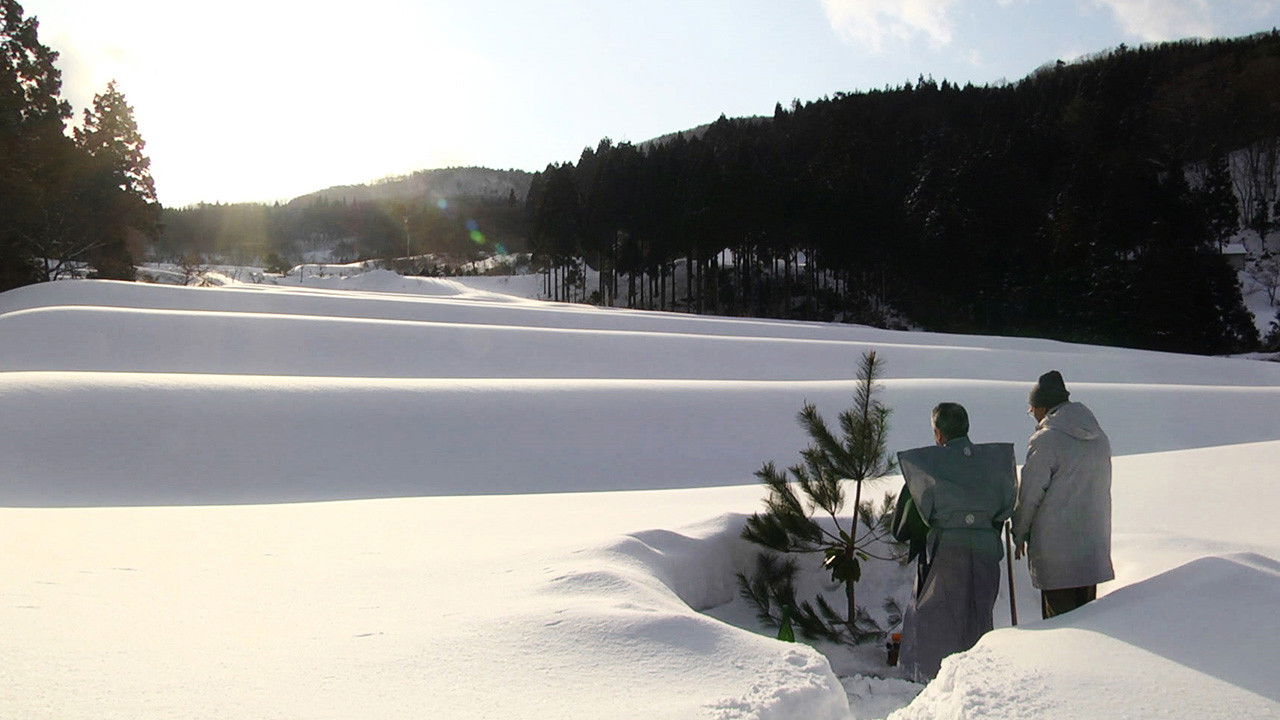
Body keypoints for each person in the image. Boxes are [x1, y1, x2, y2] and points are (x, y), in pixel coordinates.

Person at [893, 403, 1017, 681]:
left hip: (947, 549)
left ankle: (931, 677)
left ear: (938, 434)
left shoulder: (929, 465)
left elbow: (905, 521)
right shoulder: (994, 462)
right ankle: (979, 676)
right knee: (979, 613)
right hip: (986, 548)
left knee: (935, 615)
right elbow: (1006, 507)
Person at [1012, 370, 1114, 620]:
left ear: (1043, 407)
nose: (1032, 415)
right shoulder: (1099, 437)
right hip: (1092, 548)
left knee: (1061, 628)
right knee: (1090, 623)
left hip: (1056, 554)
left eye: (1032, 409)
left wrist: (1019, 531)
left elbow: (1030, 495)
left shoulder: (1046, 440)